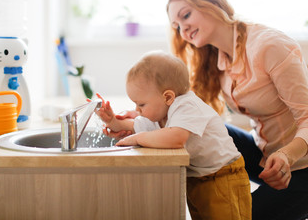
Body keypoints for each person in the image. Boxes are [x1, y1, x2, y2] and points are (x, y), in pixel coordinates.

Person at [164, 0, 308, 220]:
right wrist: (140, 118)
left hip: (301, 165)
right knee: (198, 128)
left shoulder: (269, 45)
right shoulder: (215, 59)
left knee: (239, 215)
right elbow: (187, 110)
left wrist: (286, 155)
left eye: (186, 15)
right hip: (267, 157)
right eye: (176, 26)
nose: (183, 29)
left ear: (212, 4)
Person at [95, 50, 252, 220]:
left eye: (141, 104)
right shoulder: (160, 114)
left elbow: (176, 139)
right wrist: (112, 121)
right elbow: (133, 127)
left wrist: (137, 138)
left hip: (222, 177)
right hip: (198, 178)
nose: (137, 110)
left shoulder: (186, 106)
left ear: (168, 97)